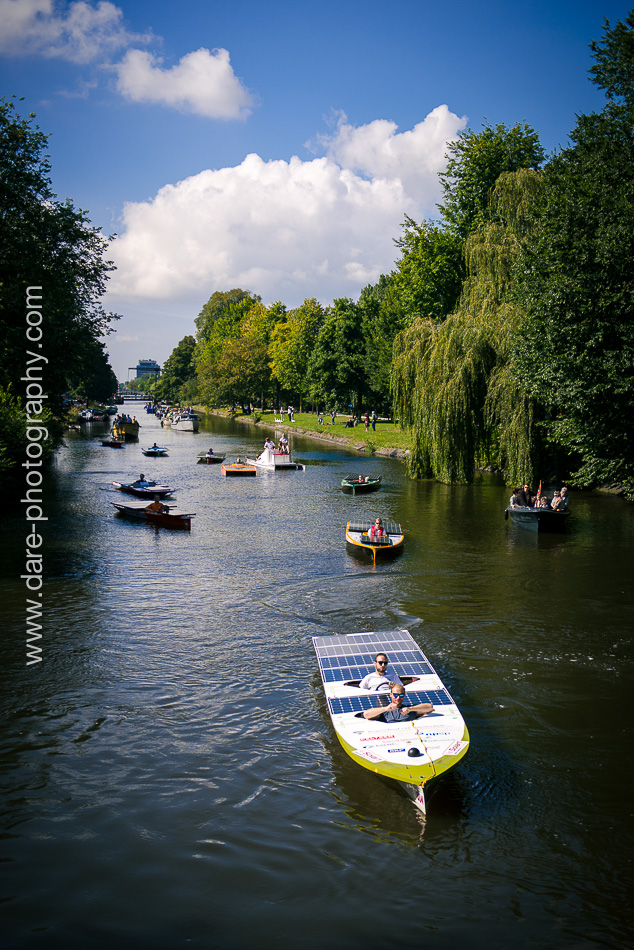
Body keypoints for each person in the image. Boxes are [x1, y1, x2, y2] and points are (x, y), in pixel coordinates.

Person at [363, 685, 434, 722]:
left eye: (401, 695)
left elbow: (430, 707)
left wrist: (411, 709)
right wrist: (385, 709)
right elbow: (366, 714)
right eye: (395, 695)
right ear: (391, 694)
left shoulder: (409, 709)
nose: (398, 698)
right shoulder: (385, 712)